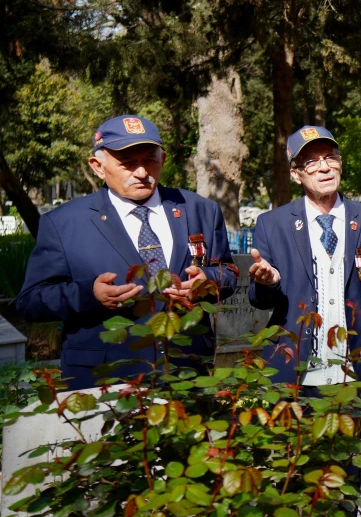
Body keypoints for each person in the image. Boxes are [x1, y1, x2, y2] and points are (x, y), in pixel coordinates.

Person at [17, 115, 237, 389]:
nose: (142, 172)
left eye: (150, 160)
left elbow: (227, 272)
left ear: (163, 159)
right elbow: (30, 302)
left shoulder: (199, 209)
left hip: (188, 372)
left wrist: (207, 281)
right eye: (128, 163)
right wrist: (89, 295)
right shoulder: (64, 223)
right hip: (106, 380)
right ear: (98, 166)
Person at [248, 126, 361, 388]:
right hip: (295, 373)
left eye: (330, 158)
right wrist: (269, 282)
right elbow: (259, 300)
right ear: (296, 174)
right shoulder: (272, 224)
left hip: (358, 370)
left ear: (340, 164)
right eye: (312, 162)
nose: (324, 167)